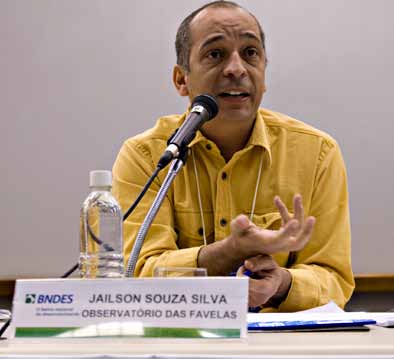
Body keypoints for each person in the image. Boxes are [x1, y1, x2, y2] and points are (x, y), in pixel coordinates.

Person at [112, 0, 355, 311]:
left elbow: (334, 280)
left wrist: (280, 284)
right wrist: (230, 250)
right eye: (215, 54)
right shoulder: (149, 156)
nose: (236, 69)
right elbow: (137, 272)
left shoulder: (318, 153)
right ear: (181, 79)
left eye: (251, 53)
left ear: (264, 73)